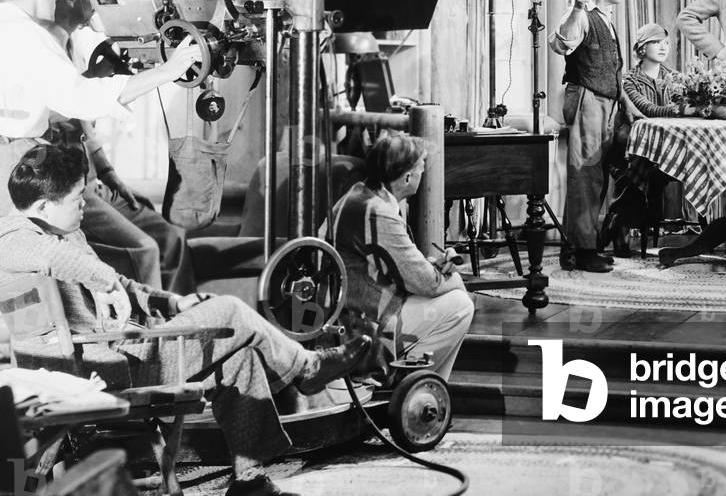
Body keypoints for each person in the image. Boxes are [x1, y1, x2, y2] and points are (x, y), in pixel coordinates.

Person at [0, 144, 372, 496]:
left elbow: (123, 285)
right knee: (229, 310)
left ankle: (250, 481)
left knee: (239, 359)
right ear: (44, 206)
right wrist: (107, 282)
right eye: (76, 198)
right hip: (95, 370)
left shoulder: (63, 231)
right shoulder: (14, 238)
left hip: (113, 357)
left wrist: (173, 304)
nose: (84, 204)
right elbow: (68, 263)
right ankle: (306, 369)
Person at [0, 0, 202, 215]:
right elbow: (82, 99)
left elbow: (49, 102)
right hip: (14, 155)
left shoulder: (9, 27)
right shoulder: (28, 36)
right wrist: (168, 71)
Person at [45, 0, 194, 293]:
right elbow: (69, 108)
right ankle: (153, 333)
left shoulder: (73, 45)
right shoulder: (43, 49)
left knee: (170, 237)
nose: (99, 4)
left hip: (94, 179)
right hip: (68, 186)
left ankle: (183, 317)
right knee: (144, 250)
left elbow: (83, 122)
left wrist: (108, 172)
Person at [322, 132, 473, 381]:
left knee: (451, 299)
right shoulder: (378, 212)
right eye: (421, 169)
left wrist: (432, 265)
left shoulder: (362, 195)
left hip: (352, 309)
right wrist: (456, 280)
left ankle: (430, 389)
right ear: (406, 177)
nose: (423, 174)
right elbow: (426, 283)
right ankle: (398, 382)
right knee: (460, 305)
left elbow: (397, 264)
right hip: (358, 325)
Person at [549, 0, 639, 274]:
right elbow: (560, 43)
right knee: (585, 175)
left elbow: (614, 71)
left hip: (608, 104)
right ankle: (580, 252)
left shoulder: (607, 21)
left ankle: (585, 246)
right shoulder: (582, 16)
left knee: (597, 176)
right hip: (588, 100)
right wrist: (575, 8)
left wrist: (625, 102)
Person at [602, 22, 678, 258]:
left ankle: (614, 223)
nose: (663, 47)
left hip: (664, 148)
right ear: (642, 48)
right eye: (656, 42)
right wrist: (680, 109)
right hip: (628, 148)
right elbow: (646, 109)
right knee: (633, 169)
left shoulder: (673, 78)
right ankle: (620, 229)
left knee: (649, 170)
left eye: (665, 42)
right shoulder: (629, 80)